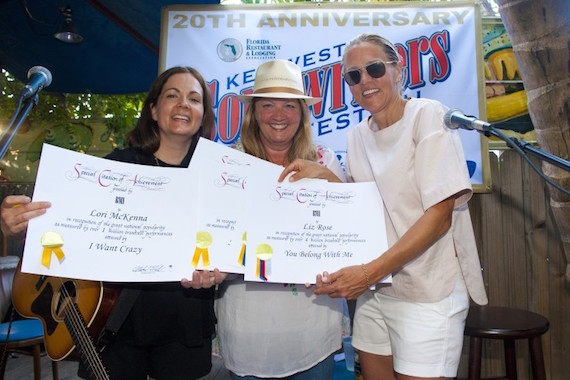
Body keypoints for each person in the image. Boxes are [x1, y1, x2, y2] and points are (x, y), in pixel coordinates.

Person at [280, 33, 489, 380]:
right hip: (377, 290)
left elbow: (439, 217)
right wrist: (324, 176)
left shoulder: (428, 116)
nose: (365, 81)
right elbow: (365, 204)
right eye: (354, 76)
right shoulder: (357, 135)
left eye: (374, 68)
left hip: (427, 288)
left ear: (398, 70)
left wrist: (366, 273)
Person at [1, 66, 226, 380]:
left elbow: (228, 245)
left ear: (204, 114)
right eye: (172, 96)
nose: (183, 105)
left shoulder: (217, 179)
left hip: (185, 323)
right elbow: (61, 225)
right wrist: (18, 222)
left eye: (194, 99)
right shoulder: (113, 168)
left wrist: (220, 271)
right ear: (153, 109)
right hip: (114, 321)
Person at [215, 59, 347, 380]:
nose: (278, 115)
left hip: (312, 324)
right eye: (268, 105)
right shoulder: (228, 163)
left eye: (289, 106)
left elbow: (348, 225)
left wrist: (326, 176)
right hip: (247, 325)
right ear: (254, 112)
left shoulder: (324, 159)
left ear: (302, 114)